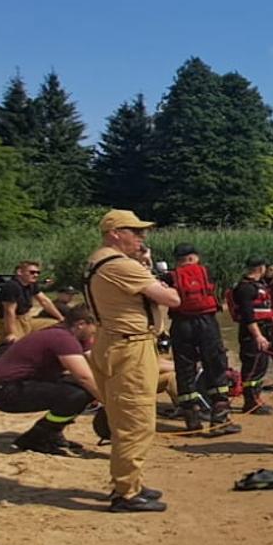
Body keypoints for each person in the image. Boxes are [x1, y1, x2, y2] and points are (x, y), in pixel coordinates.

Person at [85, 209, 181, 513]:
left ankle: (130, 483)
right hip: (130, 347)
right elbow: (173, 299)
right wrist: (154, 275)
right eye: (136, 232)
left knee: (123, 418)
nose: (142, 238)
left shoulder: (98, 260)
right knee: (136, 422)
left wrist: (144, 266)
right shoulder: (121, 265)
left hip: (112, 342)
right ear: (115, 233)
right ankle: (126, 493)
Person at [0, 303, 101, 456]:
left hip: (21, 383)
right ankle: (38, 437)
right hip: (5, 391)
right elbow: (84, 377)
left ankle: (51, 433)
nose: (97, 331)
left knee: (85, 389)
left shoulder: (77, 336)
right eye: (96, 326)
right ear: (81, 324)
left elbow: (97, 365)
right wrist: (109, 402)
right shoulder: (62, 338)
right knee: (77, 395)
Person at [166, 243, 238, 433]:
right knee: (215, 366)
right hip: (206, 322)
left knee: (185, 370)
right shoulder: (207, 271)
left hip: (181, 324)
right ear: (193, 257)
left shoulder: (171, 276)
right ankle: (219, 420)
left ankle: (192, 421)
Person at [230, 257, 273, 415]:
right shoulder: (246, 288)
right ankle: (250, 402)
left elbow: (266, 308)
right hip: (252, 333)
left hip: (264, 329)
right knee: (253, 367)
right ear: (260, 268)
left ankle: (256, 398)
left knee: (261, 366)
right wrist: (258, 336)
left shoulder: (259, 285)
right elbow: (248, 316)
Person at [0, 260, 64, 345]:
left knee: (59, 326)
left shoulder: (31, 284)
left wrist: (61, 318)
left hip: (27, 320)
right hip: (13, 323)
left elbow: (45, 301)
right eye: (32, 272)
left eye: (37, 273)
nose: (35, 275)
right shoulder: (11, 287)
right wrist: (11, 333)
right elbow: (9, 312)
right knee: (18, 347)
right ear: (20, 272)